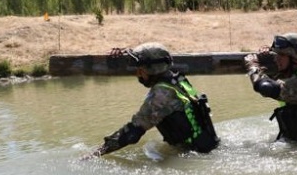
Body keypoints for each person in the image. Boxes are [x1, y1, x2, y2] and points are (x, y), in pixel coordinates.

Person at [87, 42, 220, 158]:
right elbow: (153, 56)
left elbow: (132, 132)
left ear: (152, 69)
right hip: (206, 144)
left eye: (140, 69)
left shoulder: (161, 95)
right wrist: (124, 52)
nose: (137, 74)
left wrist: (96, 153)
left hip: (193, 154)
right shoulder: (176, 79)